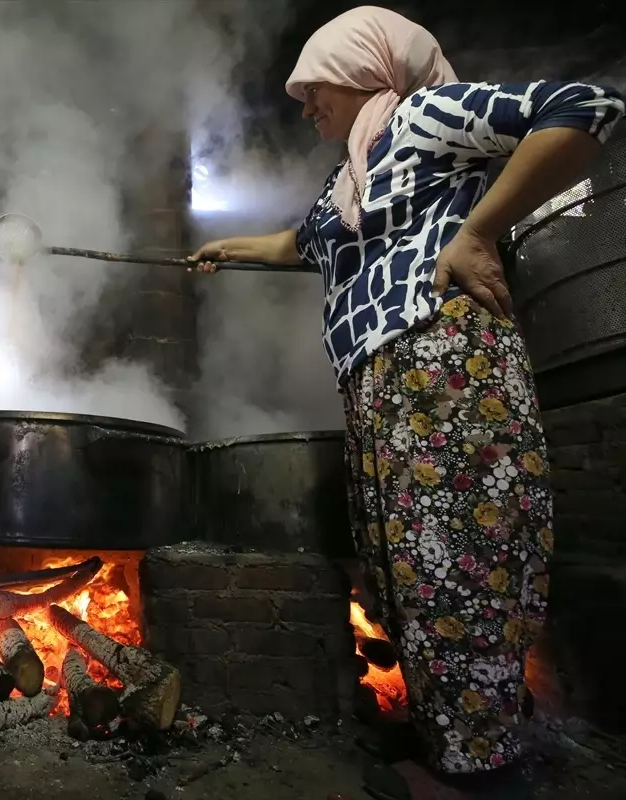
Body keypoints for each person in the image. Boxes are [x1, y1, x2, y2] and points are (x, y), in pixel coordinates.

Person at [190, 5, 623, 798]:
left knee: (459, 554)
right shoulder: (350, 177)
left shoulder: (425, 117)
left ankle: (482, 773)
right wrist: (231, 247)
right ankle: (452, 733)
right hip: (378, 381)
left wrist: (479, 231)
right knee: (406, 565)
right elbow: (306, 242)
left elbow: (584, 108)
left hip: (444, 365)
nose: (304, 105)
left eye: (313, 87)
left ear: (361, 72)